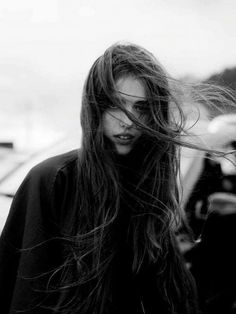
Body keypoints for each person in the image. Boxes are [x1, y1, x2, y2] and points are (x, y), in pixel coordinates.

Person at [0, 42, 232, 314]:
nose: (128, 121)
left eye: (141, 107)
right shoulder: (53, 179)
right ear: (94, 107)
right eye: (115, 105)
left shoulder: (149, 185)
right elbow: (26, 298)